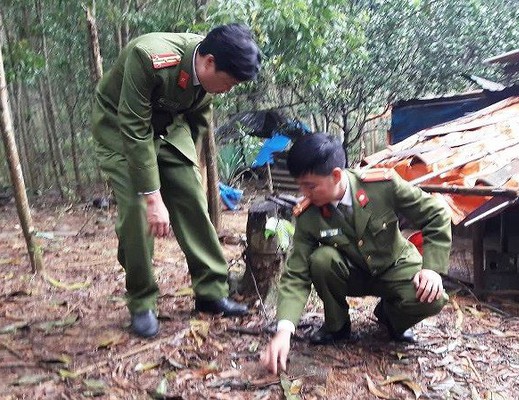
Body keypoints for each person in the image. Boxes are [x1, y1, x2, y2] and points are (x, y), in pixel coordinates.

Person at [91, 24, 261, 338]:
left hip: (168, 128)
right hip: (121, 128)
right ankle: (142, 302)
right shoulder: (149, 57)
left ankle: (211, 291)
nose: (230, 89)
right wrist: (153, 196)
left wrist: (186, 168)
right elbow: (134, 127)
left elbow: (199, 119)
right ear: (209, 63)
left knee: (191, 197)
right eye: (230, 82)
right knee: (138, 213)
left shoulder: (209, 70)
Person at [261, 133, 452, 374]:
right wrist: (284, 331)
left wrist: (432, 269)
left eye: (310, 185)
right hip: (351, 272)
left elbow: (436, 214)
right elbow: (296, 274)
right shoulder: (308, 215)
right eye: (300, 185)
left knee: (432, 297)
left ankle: (391, 317)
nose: (304, 192)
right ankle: (337, 326)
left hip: (395, 265)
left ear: (337, 175)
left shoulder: (382, 185)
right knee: (321, 260)